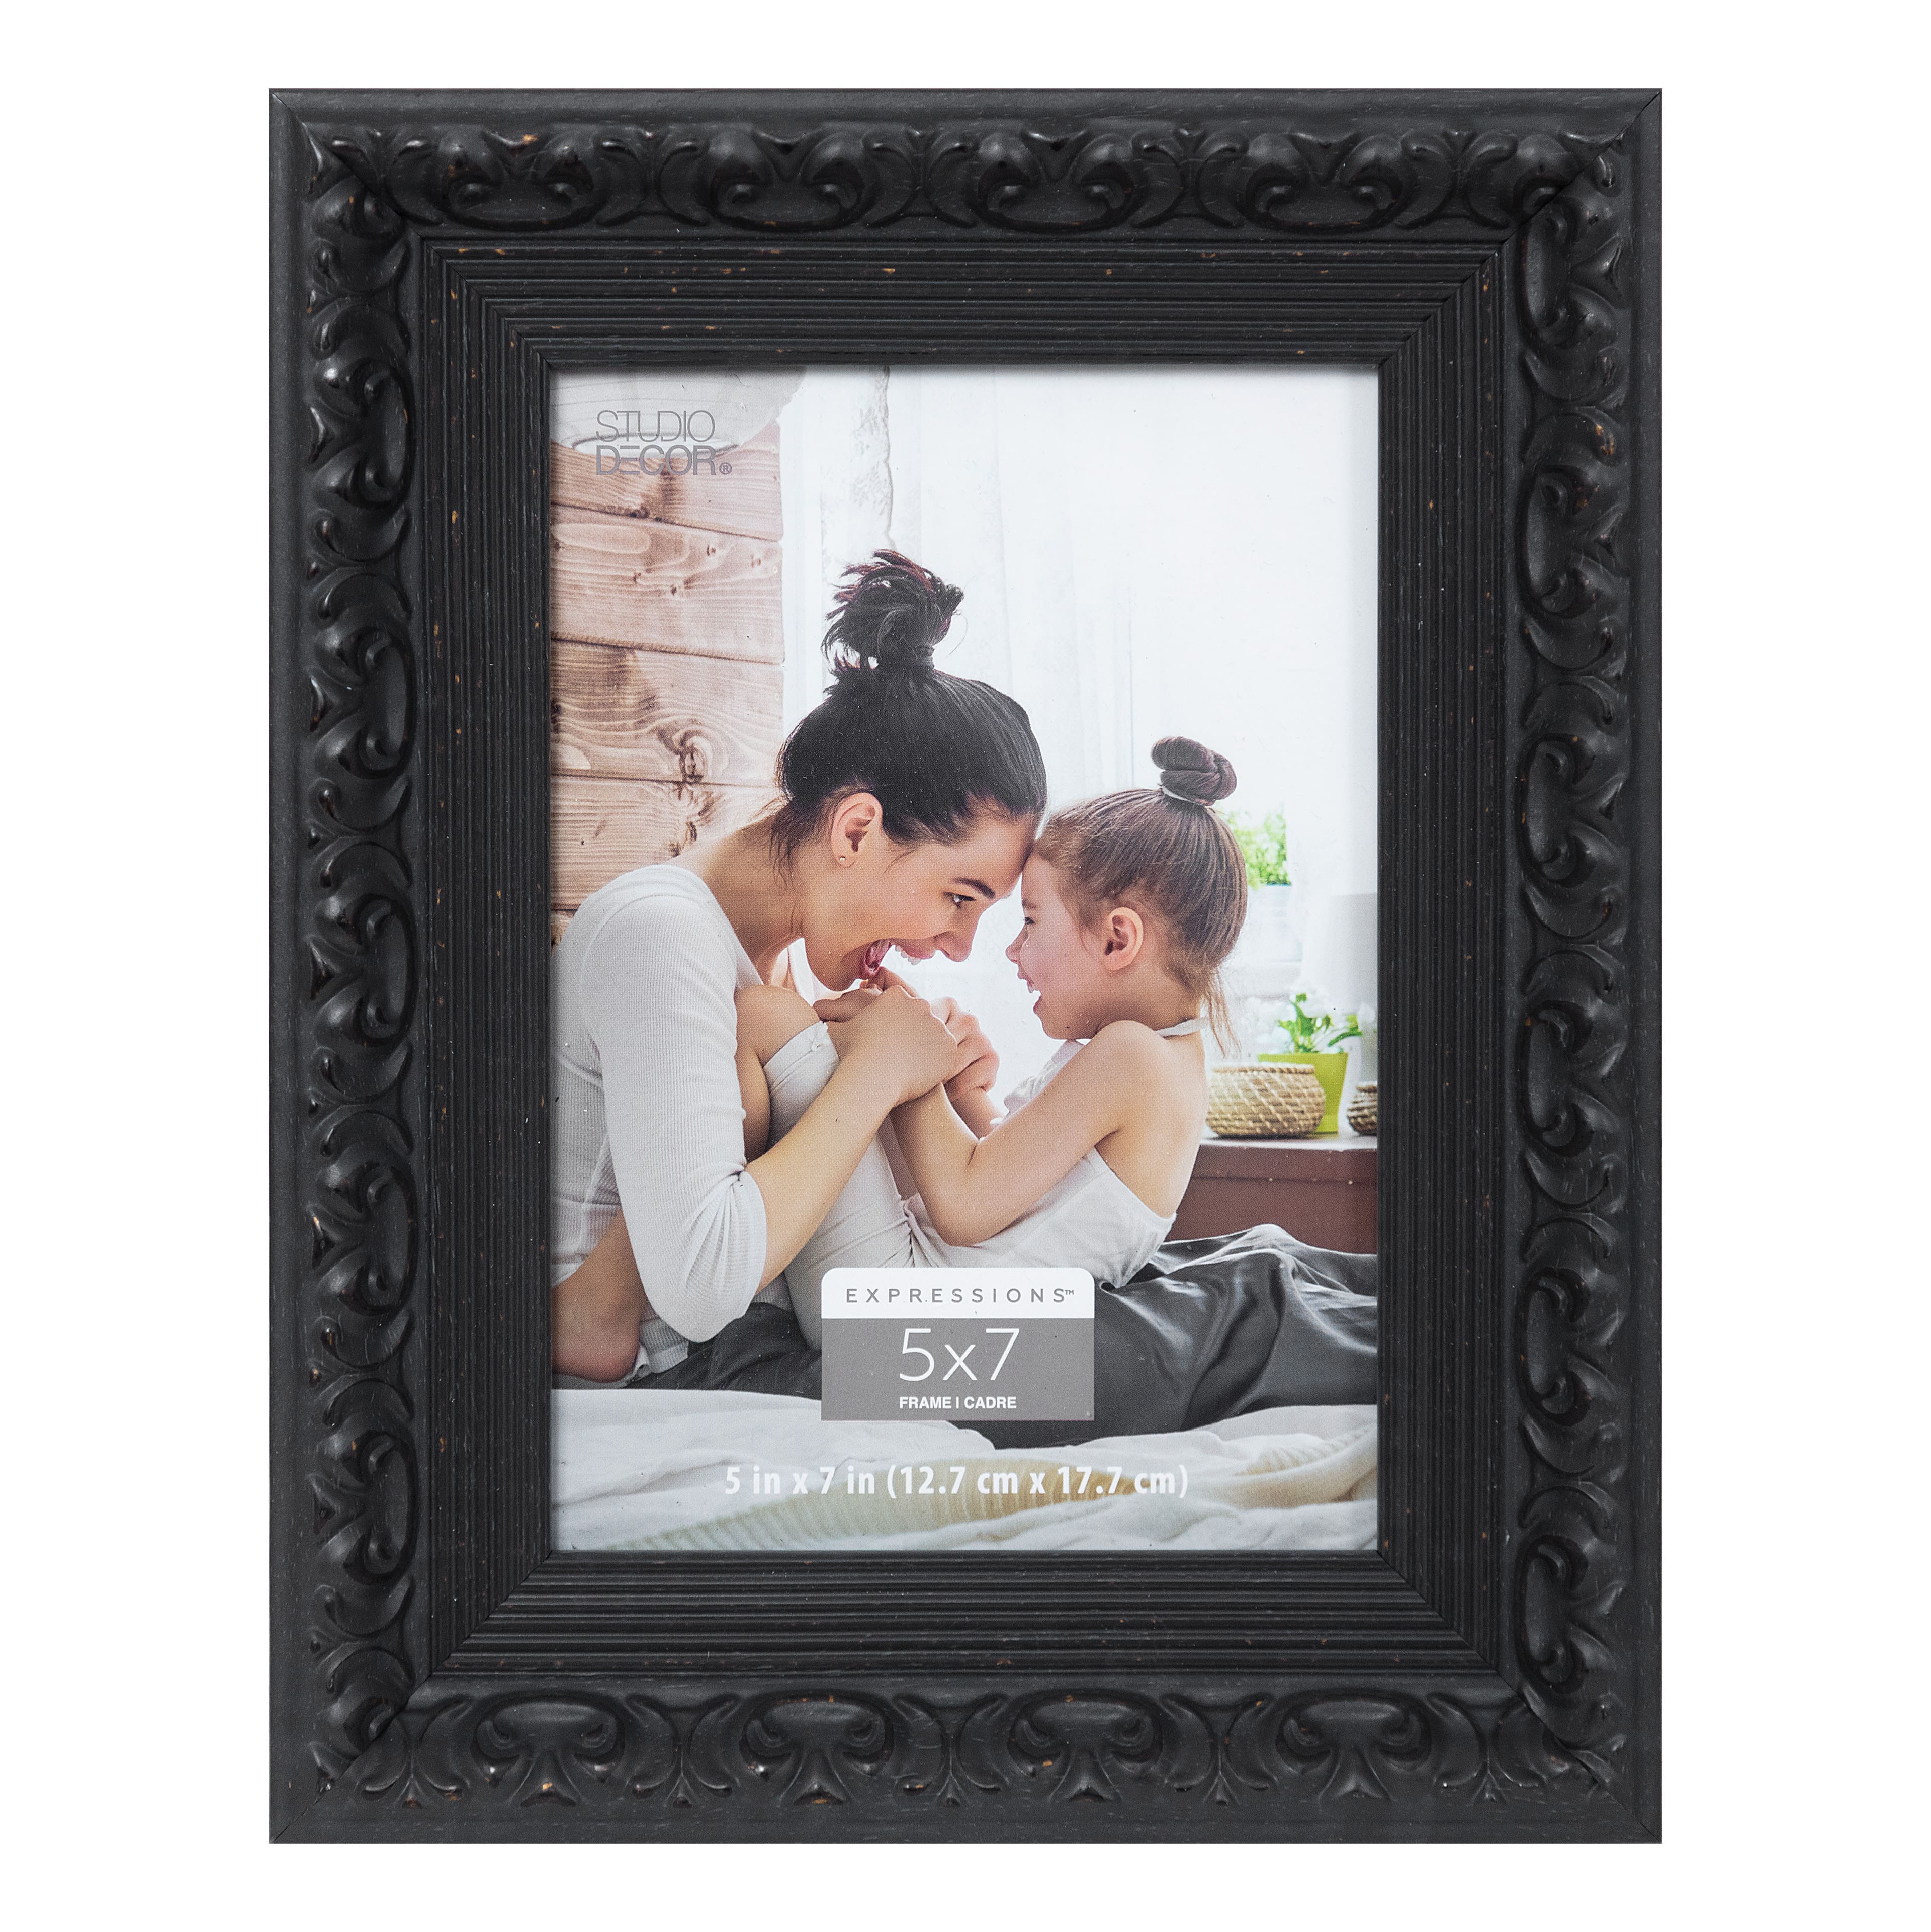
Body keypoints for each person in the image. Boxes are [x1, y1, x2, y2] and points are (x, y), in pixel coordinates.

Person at [550, 551, 1047, 1383]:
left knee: (1129, 1329)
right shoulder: (661, 937)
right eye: (959, 898)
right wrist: (876, 1076)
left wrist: (939, 1094)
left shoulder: (782, 966)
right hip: (689, 1361)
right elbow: (703, 1285)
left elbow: (827, 1213)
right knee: (1088, 1365)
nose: (959, 947)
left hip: (767, 1338)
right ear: (857, 830)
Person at [727, 736, 1248, 1340]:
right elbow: (1018, 1190)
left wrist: (907, 1063)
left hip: (898, 1318)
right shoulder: (1169, 1061)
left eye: (1030, 921)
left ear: (1117, 940)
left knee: (767, 1017)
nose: (1012, 950)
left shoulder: (1133, 1056)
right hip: (919, 1301)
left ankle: (718, 1264)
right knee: (819, 1039)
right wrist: (955, 1085)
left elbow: (964, 1207)